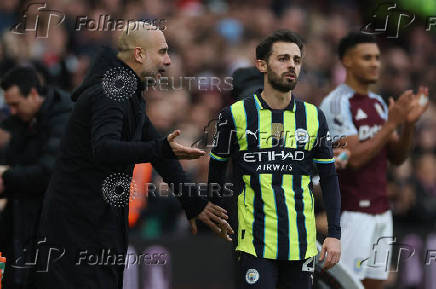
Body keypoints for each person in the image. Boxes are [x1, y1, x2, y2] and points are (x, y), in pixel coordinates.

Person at [35, 22, 231, 289]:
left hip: (97, 223)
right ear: (139, 54)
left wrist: (193, 203)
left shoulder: (128, 92)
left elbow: (159, 152)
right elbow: (105, 148)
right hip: (78, 227)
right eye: (162, 52)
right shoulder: (111, 92)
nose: (169, 61)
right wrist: (159, 149)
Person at [208, 30, 341, 289]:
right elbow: (216, 170)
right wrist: (213, 213)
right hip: (254, 244)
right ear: (262, 65)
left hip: (301, 245)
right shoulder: (234, 115)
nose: (291, 64)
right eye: (282, 58)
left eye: (297, 59)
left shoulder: (313, 117)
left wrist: (334, 234)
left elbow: (329, 178)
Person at [320, 32, 429, 289]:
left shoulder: (377, 103)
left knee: (375, 284)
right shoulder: (336, 103)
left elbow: (397, 157)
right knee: (346, 285)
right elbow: (353, 158)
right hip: (353, 211)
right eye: (367, 58)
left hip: (381, 211)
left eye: (377, 58)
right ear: (347, 61)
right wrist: (391, 123)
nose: (375, 64)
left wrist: (408, 126)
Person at [0, 66, 72, 289]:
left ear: (32, 94)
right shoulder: (23, 120)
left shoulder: (65, 118)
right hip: (27, 220)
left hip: (61, 226)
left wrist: (6, 177)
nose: (12, 111)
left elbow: (49, 173)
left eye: (15, 104)